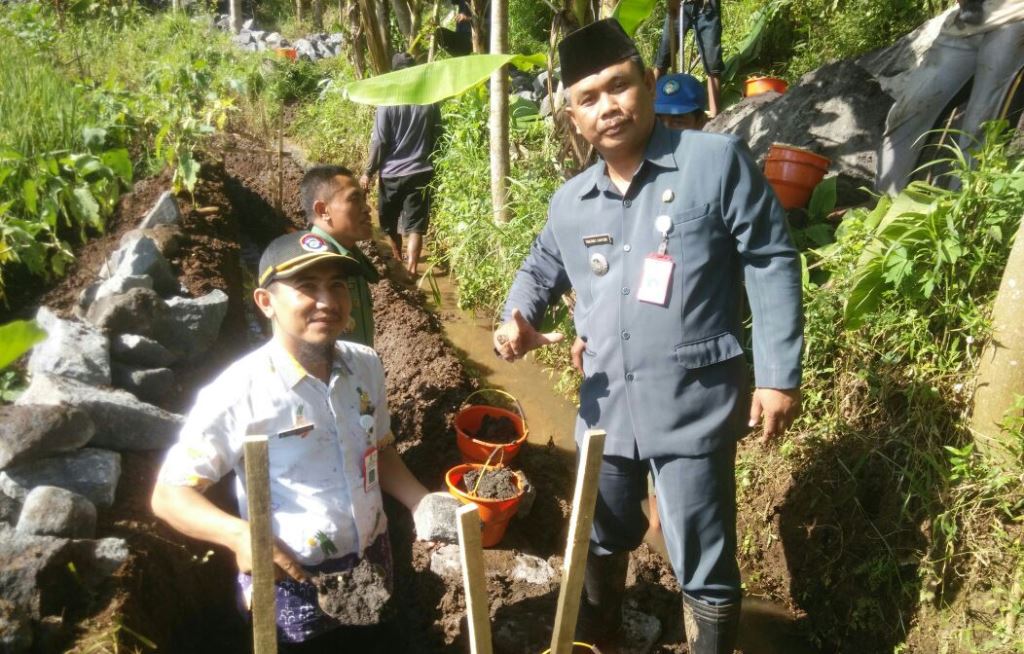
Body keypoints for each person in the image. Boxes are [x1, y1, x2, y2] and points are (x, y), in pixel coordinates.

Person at [492, 19, 803, 654]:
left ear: (650, 84)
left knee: (702, 558)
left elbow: (769, 257)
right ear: (572, 117)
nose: (607, 107)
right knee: (601, 535)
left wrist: (776, 375)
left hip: (693, 402)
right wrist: (517, 313)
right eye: (588, 98)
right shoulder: (570, 202)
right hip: (605, 407)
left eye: (618, 86)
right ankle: (597, 640)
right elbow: (540, 268)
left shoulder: (714, 162)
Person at [151, 231, 432, 650]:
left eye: (337, 285)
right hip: (293, 580)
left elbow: (379, 448)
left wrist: (422, 501)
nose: (328, 301)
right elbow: (169, 495)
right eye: (306, 287)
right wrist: (240, 536)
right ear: (266, 303)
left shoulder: (366, 366)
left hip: (373, 559)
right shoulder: (239, 392)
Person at [875, 0, 1024, 194]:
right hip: (967, 19)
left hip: (1015, 17)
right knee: (907, 110)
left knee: (981, 126)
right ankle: (879, 207)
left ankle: (964, 215)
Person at [360, 52, 444, 278]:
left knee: (388, 222)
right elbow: (439, 134)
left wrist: (368, 171)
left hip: (391, 174)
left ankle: (399, 258)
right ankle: (412, 269)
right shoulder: (428, 100)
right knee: (416, 224)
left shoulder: (387, 102)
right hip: (421, 171)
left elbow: (380, 141)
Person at [301, 164, 379, 348]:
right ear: (323, 211)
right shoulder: (310, 267)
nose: (367, 209)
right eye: (355, 199)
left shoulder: (350, 256)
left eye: (364, 199)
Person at [654, 0, 723, 117]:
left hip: (707, 5)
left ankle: (715, 116)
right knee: (663, 58)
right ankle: (648, 107)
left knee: (712, 62)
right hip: (679, 5)